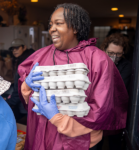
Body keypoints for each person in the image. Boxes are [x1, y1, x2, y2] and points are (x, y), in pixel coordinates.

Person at [17, 3, 128, 150]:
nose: (52, 29)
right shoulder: (40, 55)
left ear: (75, 27)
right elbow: (26, 96)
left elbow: (101, 110)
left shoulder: (97, 59)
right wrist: (26, 85)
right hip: (41, 133)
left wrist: (58, 118)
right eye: (51, 25)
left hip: (78, 141)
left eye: (58, 23)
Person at [100, 33, 132, 150]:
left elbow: (118, 88)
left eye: (118, 54)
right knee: (97, 140)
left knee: (115, 142)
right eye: (111, 53)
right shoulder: (98, 62)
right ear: (104, 49)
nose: (114, 56)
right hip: (99, 109)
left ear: (123, 52)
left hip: (116, 109)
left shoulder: (127, 66)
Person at [6, 39, 35, 124]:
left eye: (17, 48)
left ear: (24, 47)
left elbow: (21, 87)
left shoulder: (26, 62)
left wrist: (9, 102)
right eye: (13, 49)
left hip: (28, 101)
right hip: (26, 101)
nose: (14, 50)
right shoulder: (22, 59)